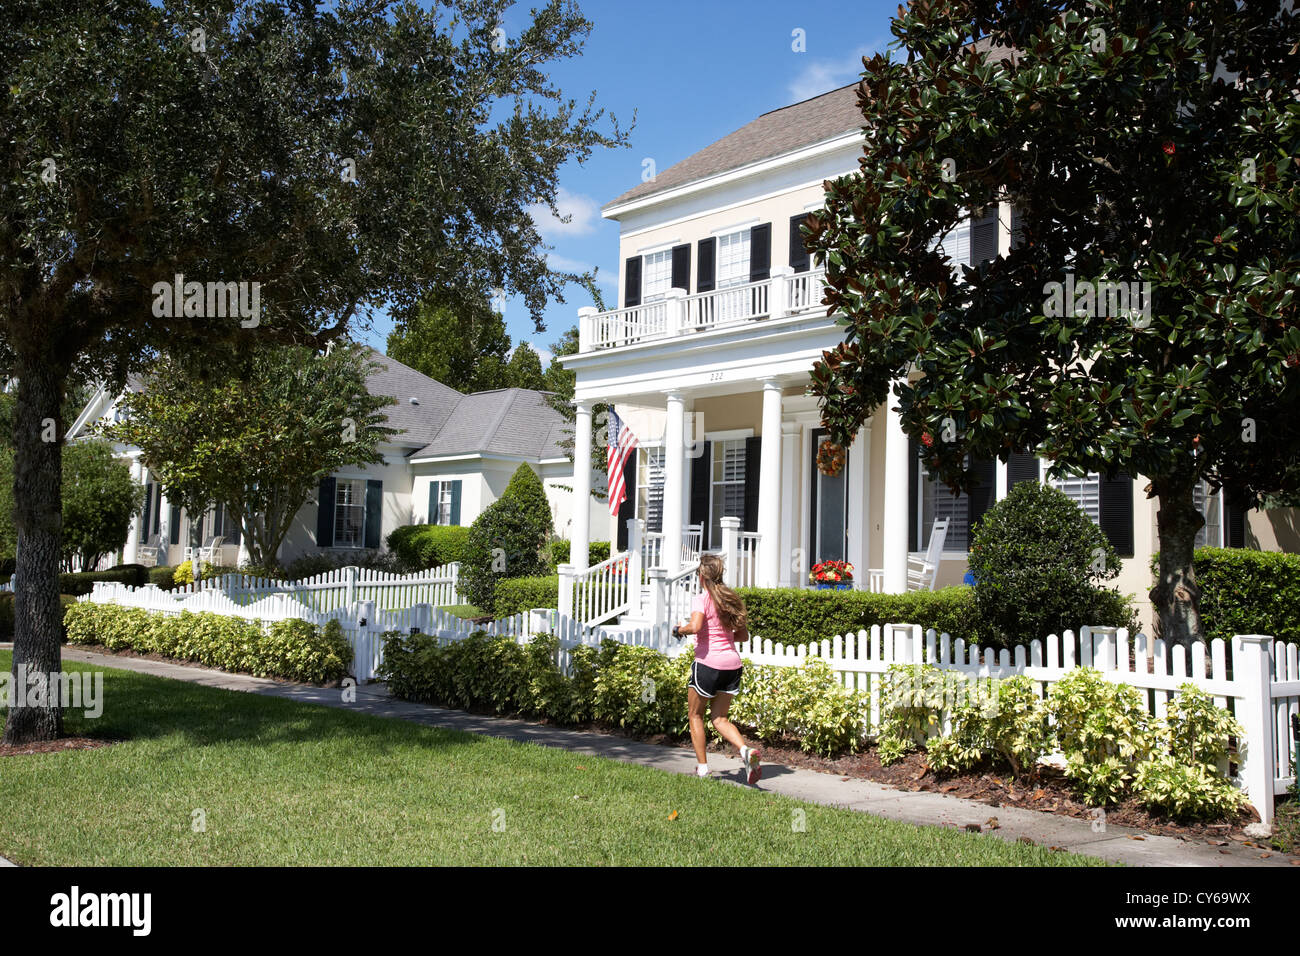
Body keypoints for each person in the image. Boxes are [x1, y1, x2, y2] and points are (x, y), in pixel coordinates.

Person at [673, 553, 761, 784]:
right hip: (732, 665)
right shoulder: (730, 598)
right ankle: (745, 751)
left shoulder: (701, 599)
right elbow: (742, 635)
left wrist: (679, 629)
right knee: (720, 718)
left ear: (701, 576)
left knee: (695, 716)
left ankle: (703, 769)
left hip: (708, 664)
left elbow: (696, 626)